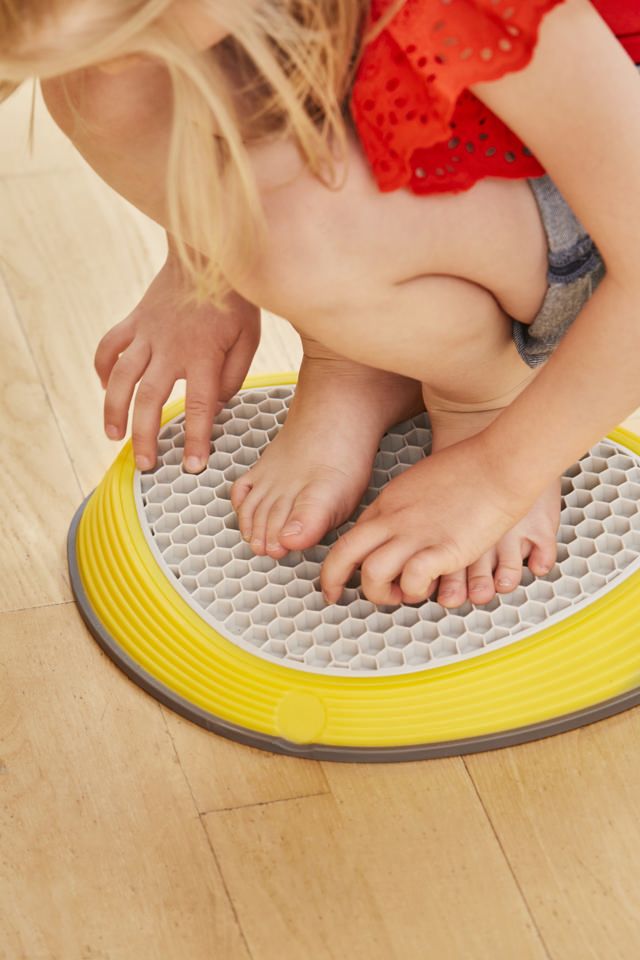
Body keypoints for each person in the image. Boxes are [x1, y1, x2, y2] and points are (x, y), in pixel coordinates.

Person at [2, 0, 640, 610]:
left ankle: (488, 391)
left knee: (294, 235)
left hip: (599, 198)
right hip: (450, 120)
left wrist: (498, 477)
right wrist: (200, 264)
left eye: (143, 27)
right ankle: (355, 355)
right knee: (100, 95)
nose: (119, 57)